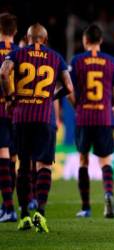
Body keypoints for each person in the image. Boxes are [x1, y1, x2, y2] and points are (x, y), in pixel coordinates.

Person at [0, 23, 73, 232]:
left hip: (21, 117)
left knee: (23, 166)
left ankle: (23, 215)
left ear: (27, 37)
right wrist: (51, 97)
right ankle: (40, 212)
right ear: (46, 40)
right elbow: (69, 88)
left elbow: (4, 74)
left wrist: (9, 98)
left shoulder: (16, 53)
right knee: (44, 166)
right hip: (44, 117)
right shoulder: (56, 57)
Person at [69, 24, 114, 219]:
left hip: (84, 116)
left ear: (85, 41)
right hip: (104, 116)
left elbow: (69, 89)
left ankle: (86, 207)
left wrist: (77, 106)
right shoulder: (110, 61)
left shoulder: (77, 61)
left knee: (83, 160)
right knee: (105, 161)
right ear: (101, 40)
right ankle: (108, 194)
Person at [0, 12, 18, 222]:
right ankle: (10, 205)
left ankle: (8, 207)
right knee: (13, 157)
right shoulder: (20, 52)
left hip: (2, 108)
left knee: (3, 155)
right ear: (15, 31)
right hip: (19, 112)